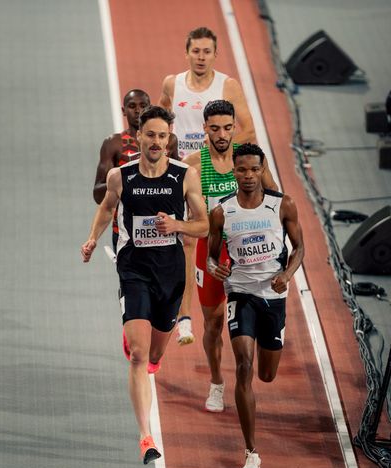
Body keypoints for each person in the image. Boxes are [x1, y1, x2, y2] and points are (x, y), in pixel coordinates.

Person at [81, 106, 208, 465]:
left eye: (162, 136)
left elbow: (204, 226)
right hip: (133, 270)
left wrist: (178, 227)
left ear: (170, 139)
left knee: (154, 355)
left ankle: (148, 349)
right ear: (138, 137)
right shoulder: (121, 176)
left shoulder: (186, 176)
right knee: (138, 354)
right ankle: (145, 436)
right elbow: (107, 208)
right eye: (149, 135)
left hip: (170, 275)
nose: (155, 142)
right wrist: (92, 239)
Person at [159, 26, 274, 345]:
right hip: (184, 175)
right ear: (186, 52)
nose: (200, 57)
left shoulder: (228, 85)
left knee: (233, 238)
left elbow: (248, 130)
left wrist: (214, 145)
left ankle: (257, 304)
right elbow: (160, 122)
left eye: (206, 51)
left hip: (218, 169)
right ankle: (183, 318)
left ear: (215, 54)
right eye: (195, 51)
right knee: (184, 241)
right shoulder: (172, 83)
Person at [207, 143, 304, 468]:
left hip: (273, 298)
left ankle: (270, 345)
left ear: (262, 170)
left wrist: (287, 274)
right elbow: (211, 254)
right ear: (233, 171)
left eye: (253, 169)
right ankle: (251, 451)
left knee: (266, 374)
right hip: (240, 294)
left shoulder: (282, 205)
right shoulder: (222, 211)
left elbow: (299, 247)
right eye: (241, 169)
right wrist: (214, 268)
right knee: (244, 366)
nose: (248, 176)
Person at [184, 100, 278, 413]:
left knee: (258, 316)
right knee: (213, 324)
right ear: (204, 129)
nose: (222, 134)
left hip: (249, 250)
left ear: (235, 126)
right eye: (214, 128)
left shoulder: (249, 160)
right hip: (211, 251)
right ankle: (216, 382)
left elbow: (277, 201)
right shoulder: (194, 165)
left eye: (227, 127)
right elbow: (193, 220)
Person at [93, 89, 178, 250]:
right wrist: (124, 180)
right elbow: (98, 194)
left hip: (161, 226)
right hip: (126, 229)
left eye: (142, 105)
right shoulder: (114, 144)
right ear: (123, 111)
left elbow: (178, 182)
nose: (138, 110)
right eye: (132, 106)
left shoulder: (170, 141)